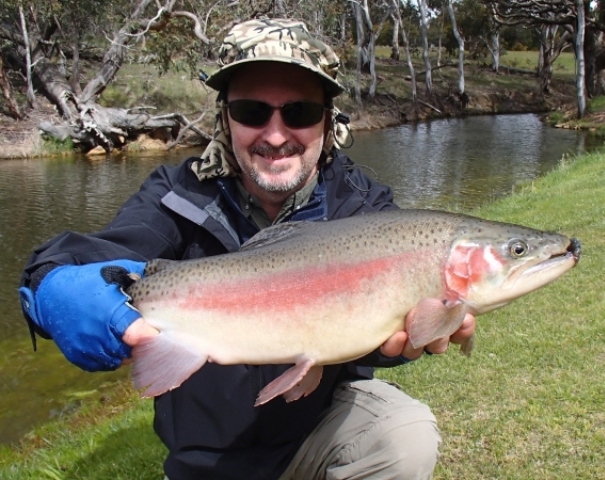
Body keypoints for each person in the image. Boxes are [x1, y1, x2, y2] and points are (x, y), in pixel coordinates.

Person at [18, 18, 475, 480]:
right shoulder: (177, 195)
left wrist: (404, 339)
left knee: (404, 436)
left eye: (299, 112)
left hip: (315, 430)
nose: (276, 136)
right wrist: (52, 288)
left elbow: (382, 337)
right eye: (253, 112)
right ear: (225, 117)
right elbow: (85, 261)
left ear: (328, 120)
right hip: (208, 460)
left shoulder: (363, 206)